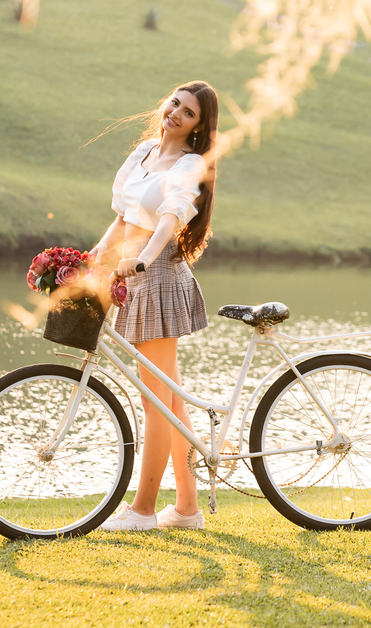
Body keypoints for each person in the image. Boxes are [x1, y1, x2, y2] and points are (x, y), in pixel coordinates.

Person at [89, 81, 219, 531]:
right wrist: (92, 258)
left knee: (156, 403)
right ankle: (186, 509)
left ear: (199, 128)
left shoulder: (188, 164)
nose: (175, 114)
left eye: (188, 113)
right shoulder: (143, 153)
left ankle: (143, 510)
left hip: (157, 275)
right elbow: (123, 218)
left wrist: (142, 257)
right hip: (136, 275)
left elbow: (169, 217)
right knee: (170, 402)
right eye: (174, 104)